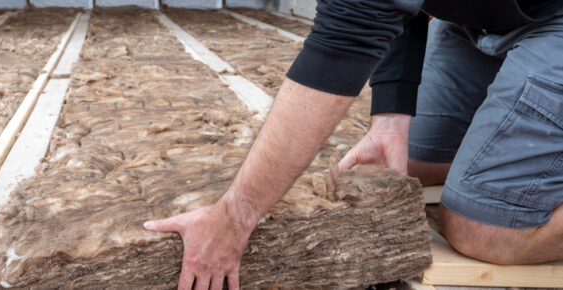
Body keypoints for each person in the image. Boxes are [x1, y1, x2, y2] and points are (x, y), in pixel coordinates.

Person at [143, 0, 563, 289]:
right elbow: (397, 9)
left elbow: (341, 47)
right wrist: (390, 121)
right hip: (490, 17)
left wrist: (236, 214)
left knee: (481, 229)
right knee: (414, 163)